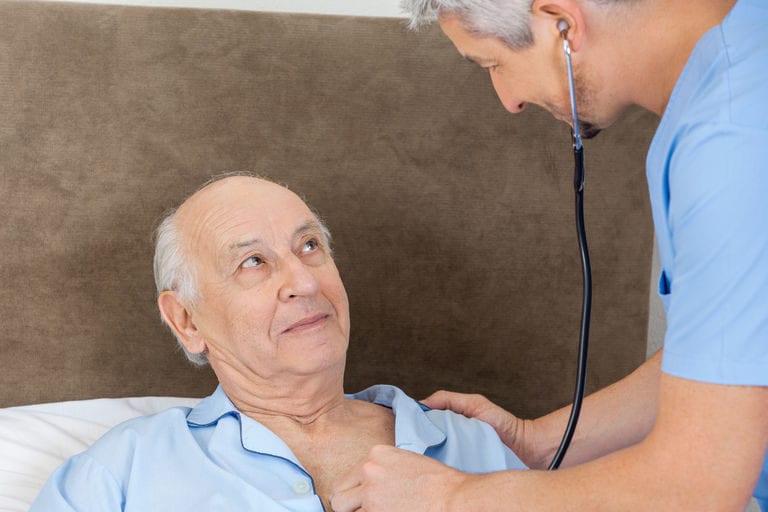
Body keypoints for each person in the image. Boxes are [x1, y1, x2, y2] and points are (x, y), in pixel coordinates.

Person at [330, 0, 768, 511]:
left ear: (563, 23)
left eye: (493, 65)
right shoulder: (741, 65)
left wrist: (454, 498)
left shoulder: (732, 143)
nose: (508, 100)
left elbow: (695, 489)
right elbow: (728, 361)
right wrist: (535, 442)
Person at [30, 175, 526, 510]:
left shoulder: (470, 444)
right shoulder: (125, 469)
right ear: (186, 321)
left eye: (310, 247)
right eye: (253, 262)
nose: (304, 283)